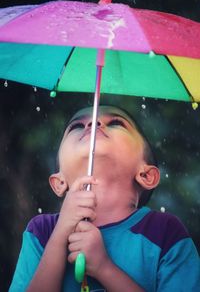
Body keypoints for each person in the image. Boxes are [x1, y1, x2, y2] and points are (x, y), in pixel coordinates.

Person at [9, 105, 200, 292]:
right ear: (59, 182)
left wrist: (104, 267)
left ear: (146, 175)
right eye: (77, 126)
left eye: (116, 123)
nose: (93, 123)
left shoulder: (165, 232)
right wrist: (59, 236)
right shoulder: (42, 231)